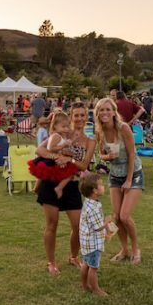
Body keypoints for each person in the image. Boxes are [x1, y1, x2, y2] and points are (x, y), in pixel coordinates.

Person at [34, 102, 94, 276]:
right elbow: (40, 150)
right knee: (52, 224)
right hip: (51, 183)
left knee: (78, 225)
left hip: (72, 184)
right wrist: (56, 156)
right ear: (71, 116)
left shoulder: (90, 141)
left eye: (83, 115)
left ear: (87, 117)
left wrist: (70, 161)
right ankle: (51, 262)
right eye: (76, 115)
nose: (80, 118)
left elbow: (84, 166)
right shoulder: (59, 134)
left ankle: (73, 257)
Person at [95, 97, 143, 265]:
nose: (105, 113)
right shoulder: (99, 131)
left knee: (124, 216)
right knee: (116, 217)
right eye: (101, 110)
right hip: (115, 174)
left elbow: (131, 154)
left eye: (108, 109)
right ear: (97, 113)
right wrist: (108, 156)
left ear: (114, 112)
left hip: (133, 173)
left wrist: (129, 180)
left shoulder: (124, 128)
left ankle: (136, 248)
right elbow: (101, 154)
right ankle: (124, 249)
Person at [28, 110, 77, 199]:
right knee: (69, 171)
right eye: (64, 127)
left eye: (67, 126)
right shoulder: (56, 136)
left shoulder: (61, 135)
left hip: (54, 158)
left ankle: (37, 189)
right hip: (50, 158)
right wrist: (63, 145)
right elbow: (51, 148)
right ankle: (56, 188)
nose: (66, 129)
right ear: (55, 126)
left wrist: (66, 149)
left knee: (44, 175)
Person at [79, 173, 111, 297]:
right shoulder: (93, 208)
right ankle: (96, 289)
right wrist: (107, 221)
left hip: (86, 242)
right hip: (93, 244)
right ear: (94, 190)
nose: (104, 187)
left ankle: (84, 285)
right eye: (101, 185)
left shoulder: (89, 202)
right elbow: (98, 228)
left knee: (86, 264)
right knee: (93, 267)